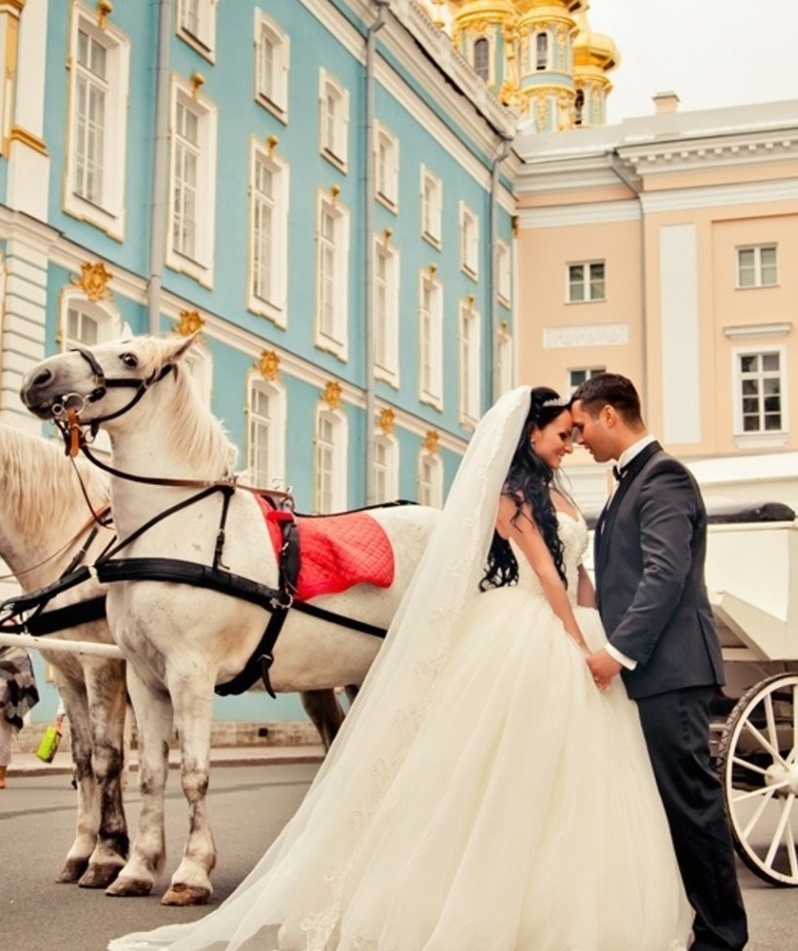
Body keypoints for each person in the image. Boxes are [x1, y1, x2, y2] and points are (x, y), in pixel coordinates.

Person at [111, 385, 692, 951]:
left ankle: (565, 893)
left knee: (571, 777)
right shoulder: (512, 496)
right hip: (534, 628)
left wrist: (595, 626)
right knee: (505, 774)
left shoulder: (555, 494)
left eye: (575, 432)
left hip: (565, 623)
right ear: (530, 433)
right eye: (563, 434)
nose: (571, 443)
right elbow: (542, 572)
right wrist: (576, 640)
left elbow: (572, 573)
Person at [570, 372, 749, 951]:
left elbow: (665, 573)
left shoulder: (663, 476)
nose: (579, 440)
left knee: (691, 805)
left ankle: (723, 936)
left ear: (610, 417)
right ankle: (696, 925)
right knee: (668, 806)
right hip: (655, 670)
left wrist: (617, 654)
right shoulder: (629, 481)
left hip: (671, 670)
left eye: (582, 427)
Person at [0, 644, 39, 789]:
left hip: (6, 703)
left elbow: (25, 676)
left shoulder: (18, 653)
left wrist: (7, 700)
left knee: (2, 740)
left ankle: (1, 776)